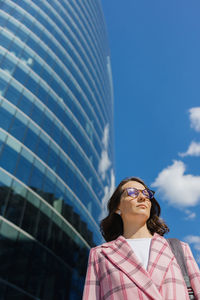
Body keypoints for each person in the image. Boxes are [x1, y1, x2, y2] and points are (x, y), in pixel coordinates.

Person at [82, 177, 200, 300]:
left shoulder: (179, 249)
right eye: (132, 192)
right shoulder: (101, 254)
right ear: (117, 207)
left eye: (146, 194)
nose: (142, 197)